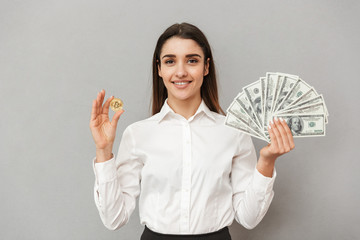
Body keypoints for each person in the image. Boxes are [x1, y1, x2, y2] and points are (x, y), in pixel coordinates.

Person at [89, 23, 295, 240]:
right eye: (170, 61)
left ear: (206, 67)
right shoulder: (137, 134)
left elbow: (248, 218)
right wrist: (103, 152)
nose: (180, 71)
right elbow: (114, 218)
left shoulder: (234, 132)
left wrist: (266, 162)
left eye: (192, 60)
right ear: (159, 69)